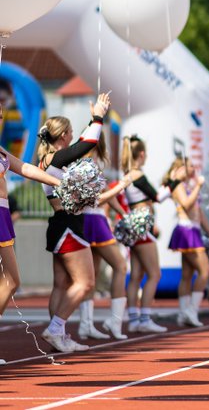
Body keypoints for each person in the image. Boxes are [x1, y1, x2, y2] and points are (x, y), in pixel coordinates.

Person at [36, 94, 110, 352]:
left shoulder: (48, 160)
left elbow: (82, 142)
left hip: (58, 224)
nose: (72, 137)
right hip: (68, 225)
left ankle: (59, 334)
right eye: (70, 133)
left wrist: (93, 118)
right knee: (86, 283)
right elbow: (88, 142)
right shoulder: (57, 160)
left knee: (62, 284)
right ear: (64, 134)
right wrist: (99, 117)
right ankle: (55, 329)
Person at [1, 146, 62, 318]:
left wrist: (58, 182)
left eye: (0, 117)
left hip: (3, 213)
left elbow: (24, 168)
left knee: (12, 281)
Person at [120, 136, 169, 334]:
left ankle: (134, 319)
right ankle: (144, 318)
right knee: (154, 274)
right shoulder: (137, 174)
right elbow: (158, 198)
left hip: (135, 223)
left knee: (137, 274)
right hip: (141, 225)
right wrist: (174, 181)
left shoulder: (128, 174)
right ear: (141, 154)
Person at [78, 162, 131, 341]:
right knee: (121, 266)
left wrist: (123, 214)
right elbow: (99, 198)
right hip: (95, 219)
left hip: (92, 219)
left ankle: (86, 324)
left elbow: (108, 194)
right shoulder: (85, 161)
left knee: (91, 276)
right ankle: (114, 321)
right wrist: (121, 187)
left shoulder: (91, 162)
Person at [167, 157, 209, 328]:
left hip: (194, 229)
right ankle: (191, 310)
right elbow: (187, 205)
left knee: (187, 274)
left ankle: (184, 312)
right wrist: (199, 187)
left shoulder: (189, 186)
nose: (193, 168)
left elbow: (199, 212)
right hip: (186, 230)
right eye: (190, 165)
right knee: (205, 271)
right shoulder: (179, 186)